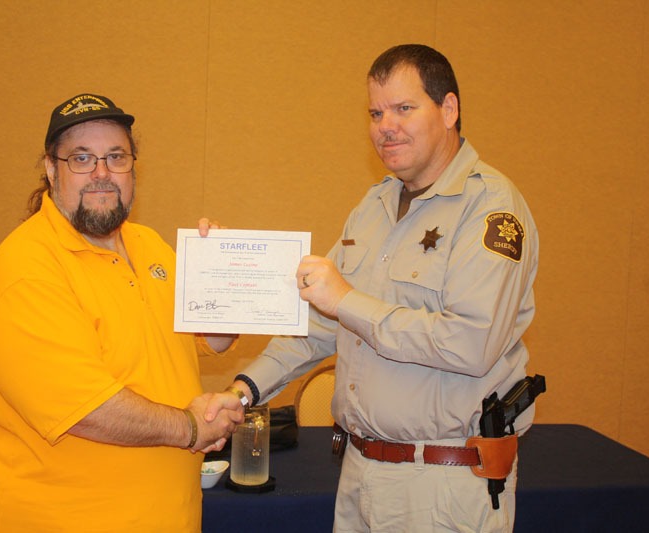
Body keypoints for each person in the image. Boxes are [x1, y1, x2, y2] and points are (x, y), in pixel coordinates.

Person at [216, 44, 539, 532]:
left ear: (448, 109)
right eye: (375, 113)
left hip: (443, 484)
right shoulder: (374, 207)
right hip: (359, 471)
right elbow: (320, 326)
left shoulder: (491, 209)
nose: (386, 126)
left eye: (403, 108)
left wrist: (347, 300)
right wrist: (243, 392)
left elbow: (470, 343)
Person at [0, 93, 245, 532]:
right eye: (81, 158)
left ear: (133, 168)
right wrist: (191, 428)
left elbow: (205, 339)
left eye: (116, 157)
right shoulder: (27, 268)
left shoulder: (148, 245)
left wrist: (227, 276)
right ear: (51, 170)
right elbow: (86, 409)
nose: (101, 173)